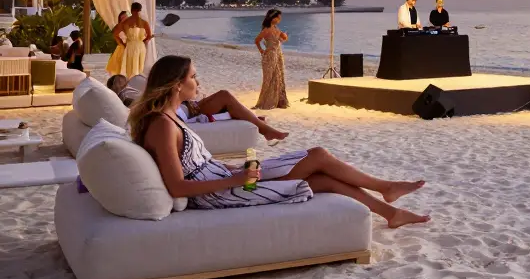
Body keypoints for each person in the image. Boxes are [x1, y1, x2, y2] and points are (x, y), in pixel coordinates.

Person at [131, 55, 428, 226]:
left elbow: (193, 164)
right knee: (319, 158)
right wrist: (234, 181)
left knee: (323, 172)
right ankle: (386, 190)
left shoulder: (170, 118)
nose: (199, 81)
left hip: (228, 178)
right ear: (177, 84)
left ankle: (391, 211)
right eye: (194, 76)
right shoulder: (161, 125)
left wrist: (235, 169)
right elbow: (178, 186)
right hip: (220, 194)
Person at [254, 9, 289, 110]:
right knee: (270, 78)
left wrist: (284, 37)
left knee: (278, 76)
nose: (279, 20)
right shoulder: (266, 29)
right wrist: (261, 51)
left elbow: (279, 41)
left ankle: (279, 101)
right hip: (270, 56)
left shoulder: (276, 28)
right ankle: (267, 102)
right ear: (272, 18)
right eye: (278, 18)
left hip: (278, 55)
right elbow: (257, 40)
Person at [112, 2, 152, 78]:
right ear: (140, 10)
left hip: (130, 46)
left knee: (130, 69)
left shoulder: (126, 22)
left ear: (131, 10)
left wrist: (122, 44)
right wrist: (142, 41)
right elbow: (149, 36)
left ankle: (130, 83)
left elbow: (115, 34)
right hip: (140, 46)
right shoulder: (144, 22)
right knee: (139, 68)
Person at [105, 11, 127, 76]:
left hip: (129, 47)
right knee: (119, 70)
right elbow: (117, 37)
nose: (125, 18)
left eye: (126, 16)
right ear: (120, 19)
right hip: (122, 48)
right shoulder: (118, 26)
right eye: (122, 17)